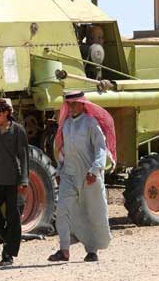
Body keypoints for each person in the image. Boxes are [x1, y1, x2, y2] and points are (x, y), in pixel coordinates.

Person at [48, 90, 117, 262]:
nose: (70, 108)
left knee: (92, 212)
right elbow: (64, 152)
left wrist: (95, 170)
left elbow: (101, 149)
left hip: (89, 176)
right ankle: (64, 250)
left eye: (73, 104)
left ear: (82, 103)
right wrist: (59, 170)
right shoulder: (66, 125)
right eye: (68, 104)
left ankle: (92, 249)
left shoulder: (91, 123)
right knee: (63, 209)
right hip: (69, 175)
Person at [0, 98, 29, 266]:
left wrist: (24, 181)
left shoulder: (18, 131)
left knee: (13, 217)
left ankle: (7, 254)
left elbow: (24, 157)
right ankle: (9, 238)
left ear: (6, 113)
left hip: (13, 181)